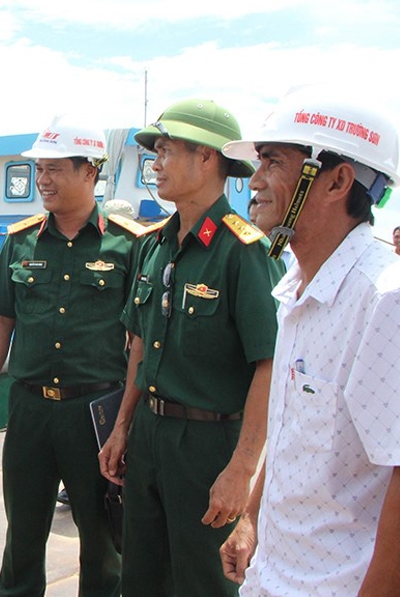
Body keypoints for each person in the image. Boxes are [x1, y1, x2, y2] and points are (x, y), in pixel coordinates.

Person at [217, 86, 400, 595]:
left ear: (337, 181)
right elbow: (290, 438)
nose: (255, 180)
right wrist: (251, 520)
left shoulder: (388, 300)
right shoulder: (296, 289)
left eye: (273, 162)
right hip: (275, 578)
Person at [98, 98, 283, 597]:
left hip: (210, 446)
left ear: (206, 158)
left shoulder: (244, 252)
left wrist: (242, 469)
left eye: (165, 150)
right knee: (142, 575)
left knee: (206, 582)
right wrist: (122, 428)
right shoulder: (153, 245)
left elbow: (270, 363)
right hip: (150, 435)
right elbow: (138, 346)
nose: (154, 163)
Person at [0, 113, 145, 597]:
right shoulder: (20, 240)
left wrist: (126, 422)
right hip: (29, 409)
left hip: (97, 412)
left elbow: (139, 342)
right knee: (23, 531)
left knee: (102, 536)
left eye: (54, 170)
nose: (42, 181)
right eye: (39, 170)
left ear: (89, 172)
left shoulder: (130, 245)